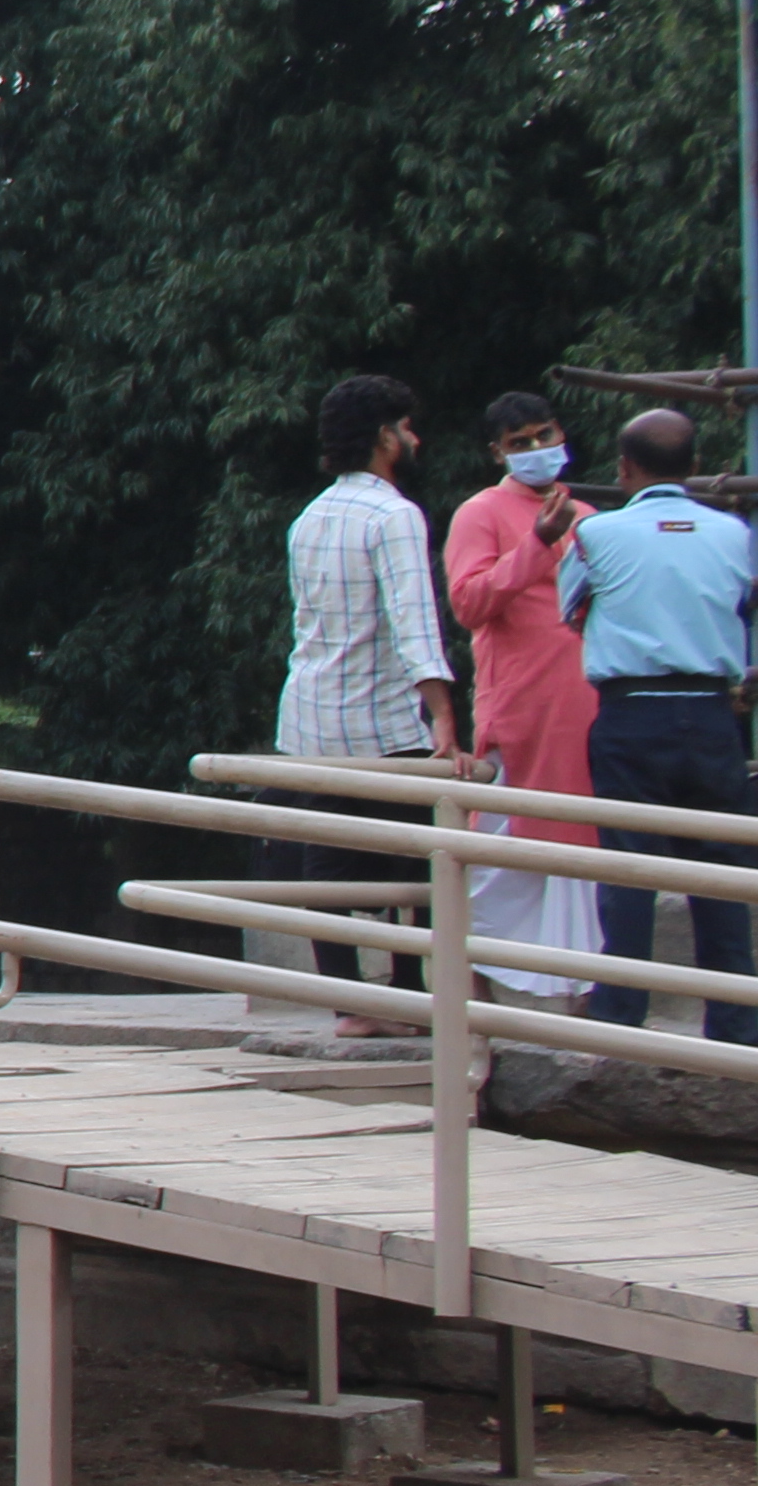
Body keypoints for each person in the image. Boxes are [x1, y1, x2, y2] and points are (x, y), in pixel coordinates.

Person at [555, 407, 758, 1043]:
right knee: (721, 869)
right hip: (710, 713)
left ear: (624, 469)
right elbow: (742, 604)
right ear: (695, 467)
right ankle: (734, 1025)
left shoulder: (597, 534)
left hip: (630, 712)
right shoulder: (736, 533)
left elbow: (571, 610)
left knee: (629, 869)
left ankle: (620, 1018)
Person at [271, 372, 464, 983]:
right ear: (386, 437)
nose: (415, 439)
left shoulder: (309, 517)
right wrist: (444, 715)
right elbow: (415, 620)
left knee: (326, 854)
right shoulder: (394, 515)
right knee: (414, 857)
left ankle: (349, 1000)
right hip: (381, 715)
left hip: (311, 711)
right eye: (407, 428)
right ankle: (407, 991)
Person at [441, 388, 602, 1001]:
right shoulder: (480, 513)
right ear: (497, 454)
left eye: (544, 436)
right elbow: (469, 602)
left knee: (587, 871)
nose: (537, 450)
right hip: (521, 716)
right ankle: (470, 1025)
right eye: (520, 444)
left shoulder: (586, 516)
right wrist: (536, 543)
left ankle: (583, 1028)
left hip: (586, 713)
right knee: (489, 877)